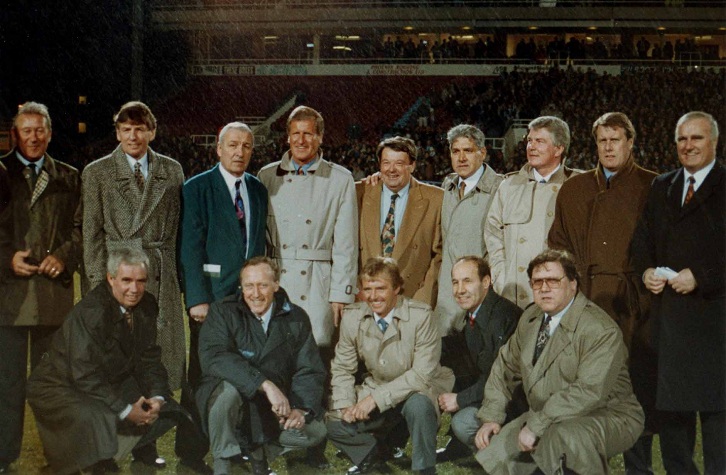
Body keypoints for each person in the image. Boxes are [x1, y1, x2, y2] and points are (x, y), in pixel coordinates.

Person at [548, 112, 659, 473]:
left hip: (633, 308)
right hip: (585, 305)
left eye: (615, 139)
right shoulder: (574, 189)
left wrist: (644, 297)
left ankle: (637, 469)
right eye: (602, 140)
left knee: (632, 393)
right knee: (581, 390)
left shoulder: (653, 185)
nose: (608, 147)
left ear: (631, 142)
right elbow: (559, 245)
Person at [467, 249, 644, 473]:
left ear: (573, 284)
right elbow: (505, 367)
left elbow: (589, 391)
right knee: (498, 455)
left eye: (553, 280)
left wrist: (536, 426)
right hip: (549, 416)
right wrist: (492, 416)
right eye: (537, 282)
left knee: (564, 439)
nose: (544, 288)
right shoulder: (530, 319)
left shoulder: (599, 329)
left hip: (608, 414)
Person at [27, 247, 186, 475]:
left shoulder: (147, 305)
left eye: (141, 280)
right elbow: (84, 374)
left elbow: (149, 357)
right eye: (127, 280)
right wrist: (124, 409)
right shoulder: (92, 312)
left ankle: (100, 460)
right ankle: (84, 463)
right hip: (57, 386)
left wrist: (157, 397)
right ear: (110, 279)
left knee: (167, 410)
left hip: (100, 380)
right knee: (101, 418)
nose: (135, 289)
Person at [257, 105, 357, 467]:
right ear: (287, 136)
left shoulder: (340, 178)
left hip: (318, 281)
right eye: (295, 133)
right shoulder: (267, 175)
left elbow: (345, 242)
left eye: (308, 133)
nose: (301, 140)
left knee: (315, 366)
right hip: (278, 280)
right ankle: (273, 442)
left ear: (320, 137)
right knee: (274, 363)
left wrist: (341, 293)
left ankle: (310, 446)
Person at [631, 111, 725, 473]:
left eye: (696, 138)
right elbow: (642, 243)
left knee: (717, 424)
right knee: (672, 421)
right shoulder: (662, 186)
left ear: (714, 142)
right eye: (682, 139)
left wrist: (701, 277)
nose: (688, 146)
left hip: (715, 322)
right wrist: (647, 271)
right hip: (670, 324)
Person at [178, 121, 268, 470]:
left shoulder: (257, 190)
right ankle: (190, 451)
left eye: (246, 146)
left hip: (248, 302)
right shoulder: (197, 187)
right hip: (211, 300)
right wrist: (197, 298)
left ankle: (238, 443)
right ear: (218, 149)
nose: (239, 152)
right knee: (202, 376)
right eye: (232, 145)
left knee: (244, 371)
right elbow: (190, 247)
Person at [0, 101, 82, 473]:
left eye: (40, 129)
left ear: (49, 133)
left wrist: (65, 255)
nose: (33, 137)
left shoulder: (68, 176)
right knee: (7, 387)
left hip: (52, 296)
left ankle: (59, 456)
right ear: (15, 134)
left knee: (53, 384)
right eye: (26, 130)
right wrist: (6, 259)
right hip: (8, 297)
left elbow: (82, 229)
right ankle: (4, 456)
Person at [82, 101, 186, 392]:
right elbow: (91, 234)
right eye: (125, 129)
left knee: (156, 362)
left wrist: (177, 278)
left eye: (139, 129)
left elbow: (178, 230)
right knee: (119, 362)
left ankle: (153, 421)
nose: (132, 136)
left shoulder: (172, 170)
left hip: (159, 274)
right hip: (119, 276)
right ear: (117, 133)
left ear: (152, 132)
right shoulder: (97, 173)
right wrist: (96, 286)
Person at [196, 257, 326, 475]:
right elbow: (215, 356)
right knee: (225, 395)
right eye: (249, 285)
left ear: (276, 285)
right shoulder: (222, 311)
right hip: (234, 398)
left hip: (274, 407)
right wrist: (264, 384)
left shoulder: (296, 317)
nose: (255, 294)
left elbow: (309, 369)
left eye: (263, 285)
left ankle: (263, 452)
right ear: (241, 287)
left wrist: (300, 408)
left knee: (316, 431)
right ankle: (223, 462)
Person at [327, 257, 454, 475]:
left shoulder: (421, 315)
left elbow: (422, 374)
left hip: (416, 388)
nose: (373, 296)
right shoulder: (353, 317)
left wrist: (374, 400)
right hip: (376, 384)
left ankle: (424, 468)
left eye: (380, 288)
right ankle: (373, 459)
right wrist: (346, 404)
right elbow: (342, 368)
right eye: (367, 289)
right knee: (332, 421)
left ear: (396, 288)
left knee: (420, 407)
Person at [485, 115, 581, 309]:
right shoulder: (509, 185)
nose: (531, 146)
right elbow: (493, 233)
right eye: (529, 140)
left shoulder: (576, 186)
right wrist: (501, 275)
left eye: (540, 141)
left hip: (556, 297)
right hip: (513, 293)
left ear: (559, 148)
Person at [436, 256, 522, 463]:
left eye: (467, 281)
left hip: (513, 405)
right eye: (455, 282)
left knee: (463, 423)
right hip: (494, 394)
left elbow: (500, 377)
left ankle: (507, 456)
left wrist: (460, 399)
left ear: (486, 282)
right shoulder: (475, 312)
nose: (460, 289)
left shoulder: (503, 317)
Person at [356, 136, 442, 307]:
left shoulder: (436, 199)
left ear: (412, 166)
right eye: (386, 163)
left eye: (399, 164)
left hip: (412, 301)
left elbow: (438, 255)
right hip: (366, 299)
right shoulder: (359, 192)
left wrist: (422, 299)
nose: (391, 170)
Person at [435, 124, 502, 336]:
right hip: (447, 299)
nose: (461, 157)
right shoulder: (447, 187)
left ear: (483, 153)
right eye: (456, 151)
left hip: (480, 297)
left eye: (468, 150)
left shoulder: (500, 188)